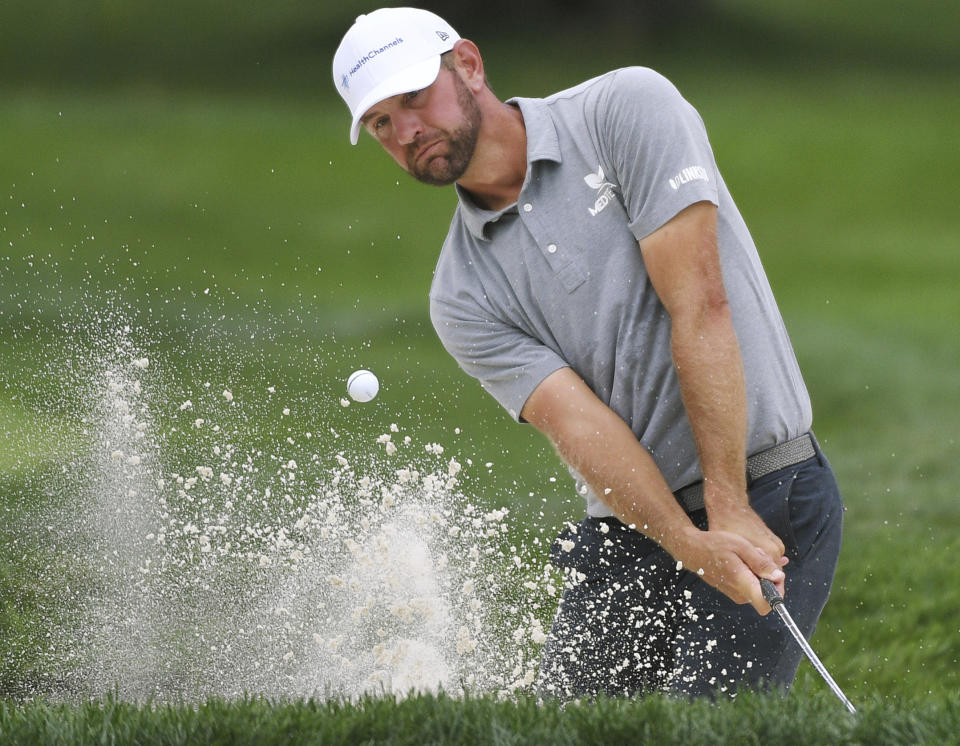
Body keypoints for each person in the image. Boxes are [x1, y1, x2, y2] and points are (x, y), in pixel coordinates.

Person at [333, 8, 844, 699]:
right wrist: (688, 543)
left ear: (470, 66)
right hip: (633, 532)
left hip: (766, 489)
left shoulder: (625, 109)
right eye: (381, 124)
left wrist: (728, 509)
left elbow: (699, 305)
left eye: (414, 99)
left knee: (708, 729)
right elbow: (581, 429)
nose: (407, 132)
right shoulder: (460, 295)